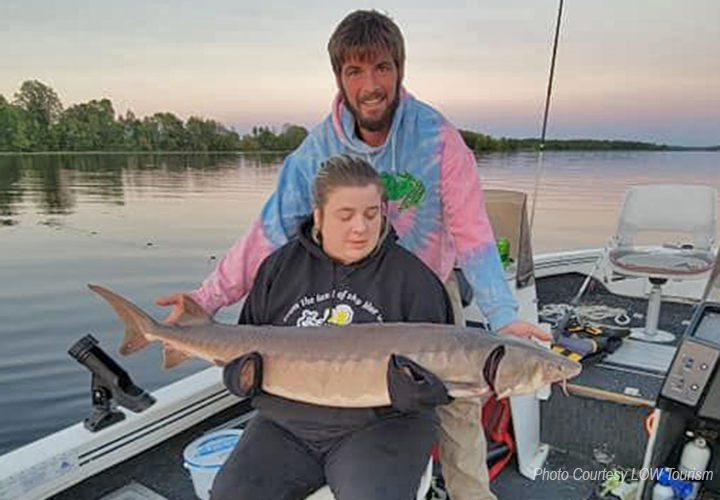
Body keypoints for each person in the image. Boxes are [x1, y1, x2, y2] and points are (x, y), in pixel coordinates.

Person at [157, 10, 550, 500]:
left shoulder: (439, 139)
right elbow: (268, 232)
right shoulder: (317, 149)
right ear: (340, 78)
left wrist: (504, 318)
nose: (370, 84)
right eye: (355, 71)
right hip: (345, 285)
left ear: (400, 71)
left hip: (423, 289)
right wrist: (205, 301)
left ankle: (471, 493)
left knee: (457, 407)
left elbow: (473, 234)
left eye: (382, 68)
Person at [209, 154, 454, 500]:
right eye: (346, 215)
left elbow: (444, 379)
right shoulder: (278, 270)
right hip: (286, 423)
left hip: (381, 424)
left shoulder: (415, 281)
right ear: (319, 217)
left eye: (371, 214)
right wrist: (241, 377)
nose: (361, 227)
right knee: (231, 494)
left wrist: (419, 391)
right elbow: (242, 347)